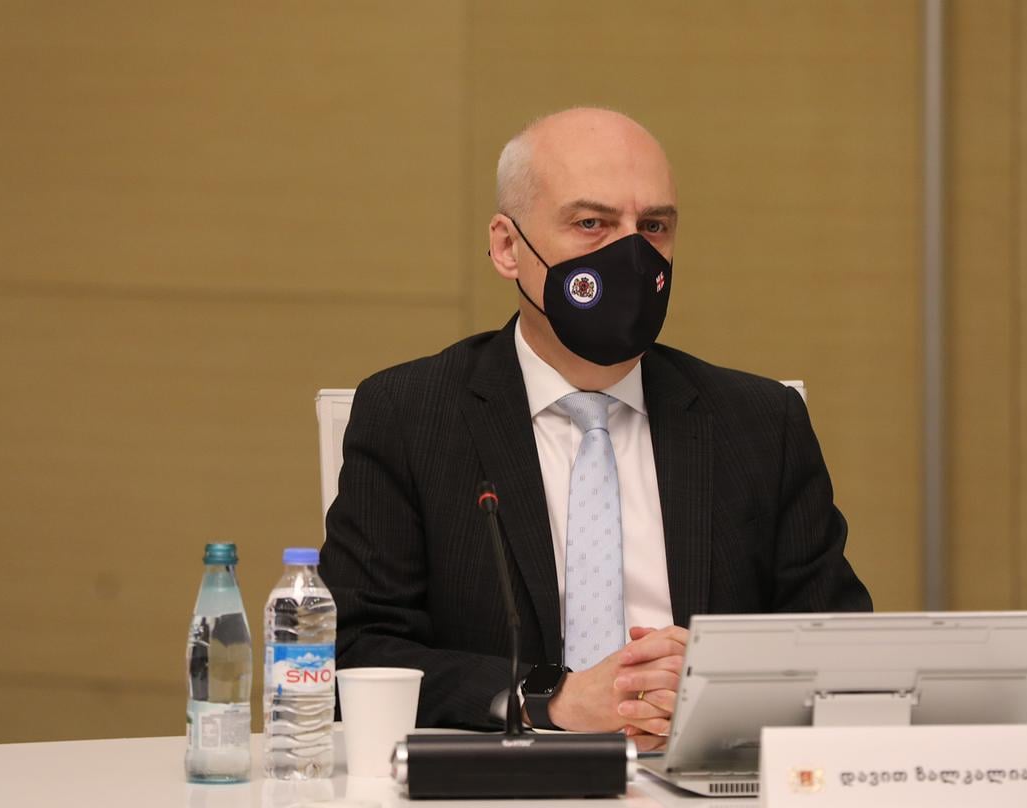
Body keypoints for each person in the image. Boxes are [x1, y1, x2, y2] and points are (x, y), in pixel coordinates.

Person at [320, 108, 870, 749]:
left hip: (705, 779)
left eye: (653, 227)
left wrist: (714, 685)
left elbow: (837, 647)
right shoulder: (411, 414)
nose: (630, 254)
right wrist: (550, 700)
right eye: (591, 224)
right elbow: (355, 653)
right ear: (507, 247)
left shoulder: (760, 423)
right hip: (501, 784)